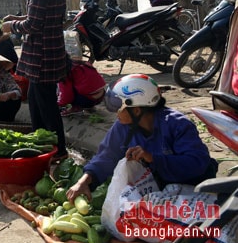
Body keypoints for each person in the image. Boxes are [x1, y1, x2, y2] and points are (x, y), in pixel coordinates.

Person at [66, 74, 218, 203]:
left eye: (119, 107)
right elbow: (105, 157)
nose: (115, 114)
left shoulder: (177, 125)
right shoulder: (123, 126)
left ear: (137, 110)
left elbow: (197, 163)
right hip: (158, 191)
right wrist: (84, 181)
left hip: (193, 192)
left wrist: (152, 158)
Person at [1, 0, 68, 159]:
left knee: (45, 105)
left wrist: (12, 25)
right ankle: (42, 144)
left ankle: (58, 150)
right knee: (36, 102)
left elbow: (34, 24)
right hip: (49, 51)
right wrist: (17, 17)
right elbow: (41, 15)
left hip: (42, 55)